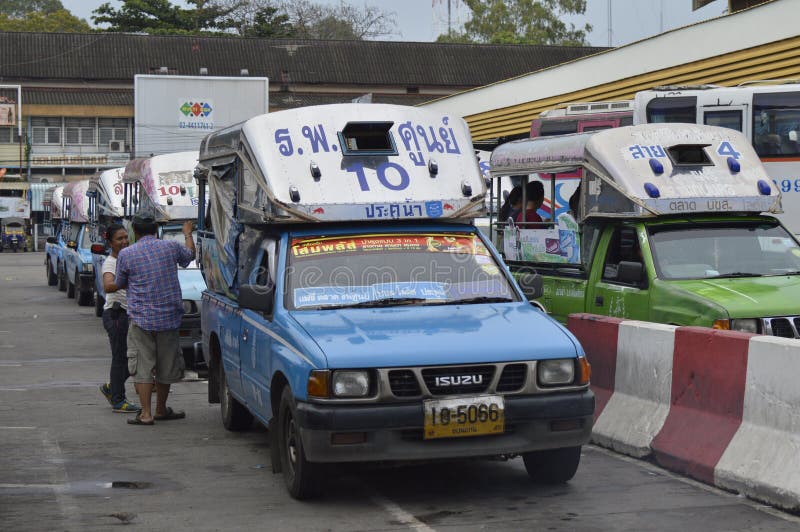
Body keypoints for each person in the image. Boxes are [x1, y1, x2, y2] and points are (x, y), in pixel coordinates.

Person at [115, 215, 196, 425]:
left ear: (135, 231)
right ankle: (160, 409)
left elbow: (120, 283)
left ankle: (146, 413)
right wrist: (187, 233)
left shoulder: (126, 254)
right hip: (169, 318)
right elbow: (190, 256)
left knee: (142, 367)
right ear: (156, 229)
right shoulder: (171, 246)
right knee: (165, 366)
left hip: (141, 319)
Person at [98, 224, 140, 413]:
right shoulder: (110, 262)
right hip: (116, 315)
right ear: (110, 243)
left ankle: (111, 387)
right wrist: (126, 281)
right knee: (120, 358)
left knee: (133, 359)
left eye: (125, 237)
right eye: (119, 239)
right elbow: (107, 286)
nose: (124, 241)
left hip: (127, 315)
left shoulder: (127, 258)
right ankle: (118, 399)